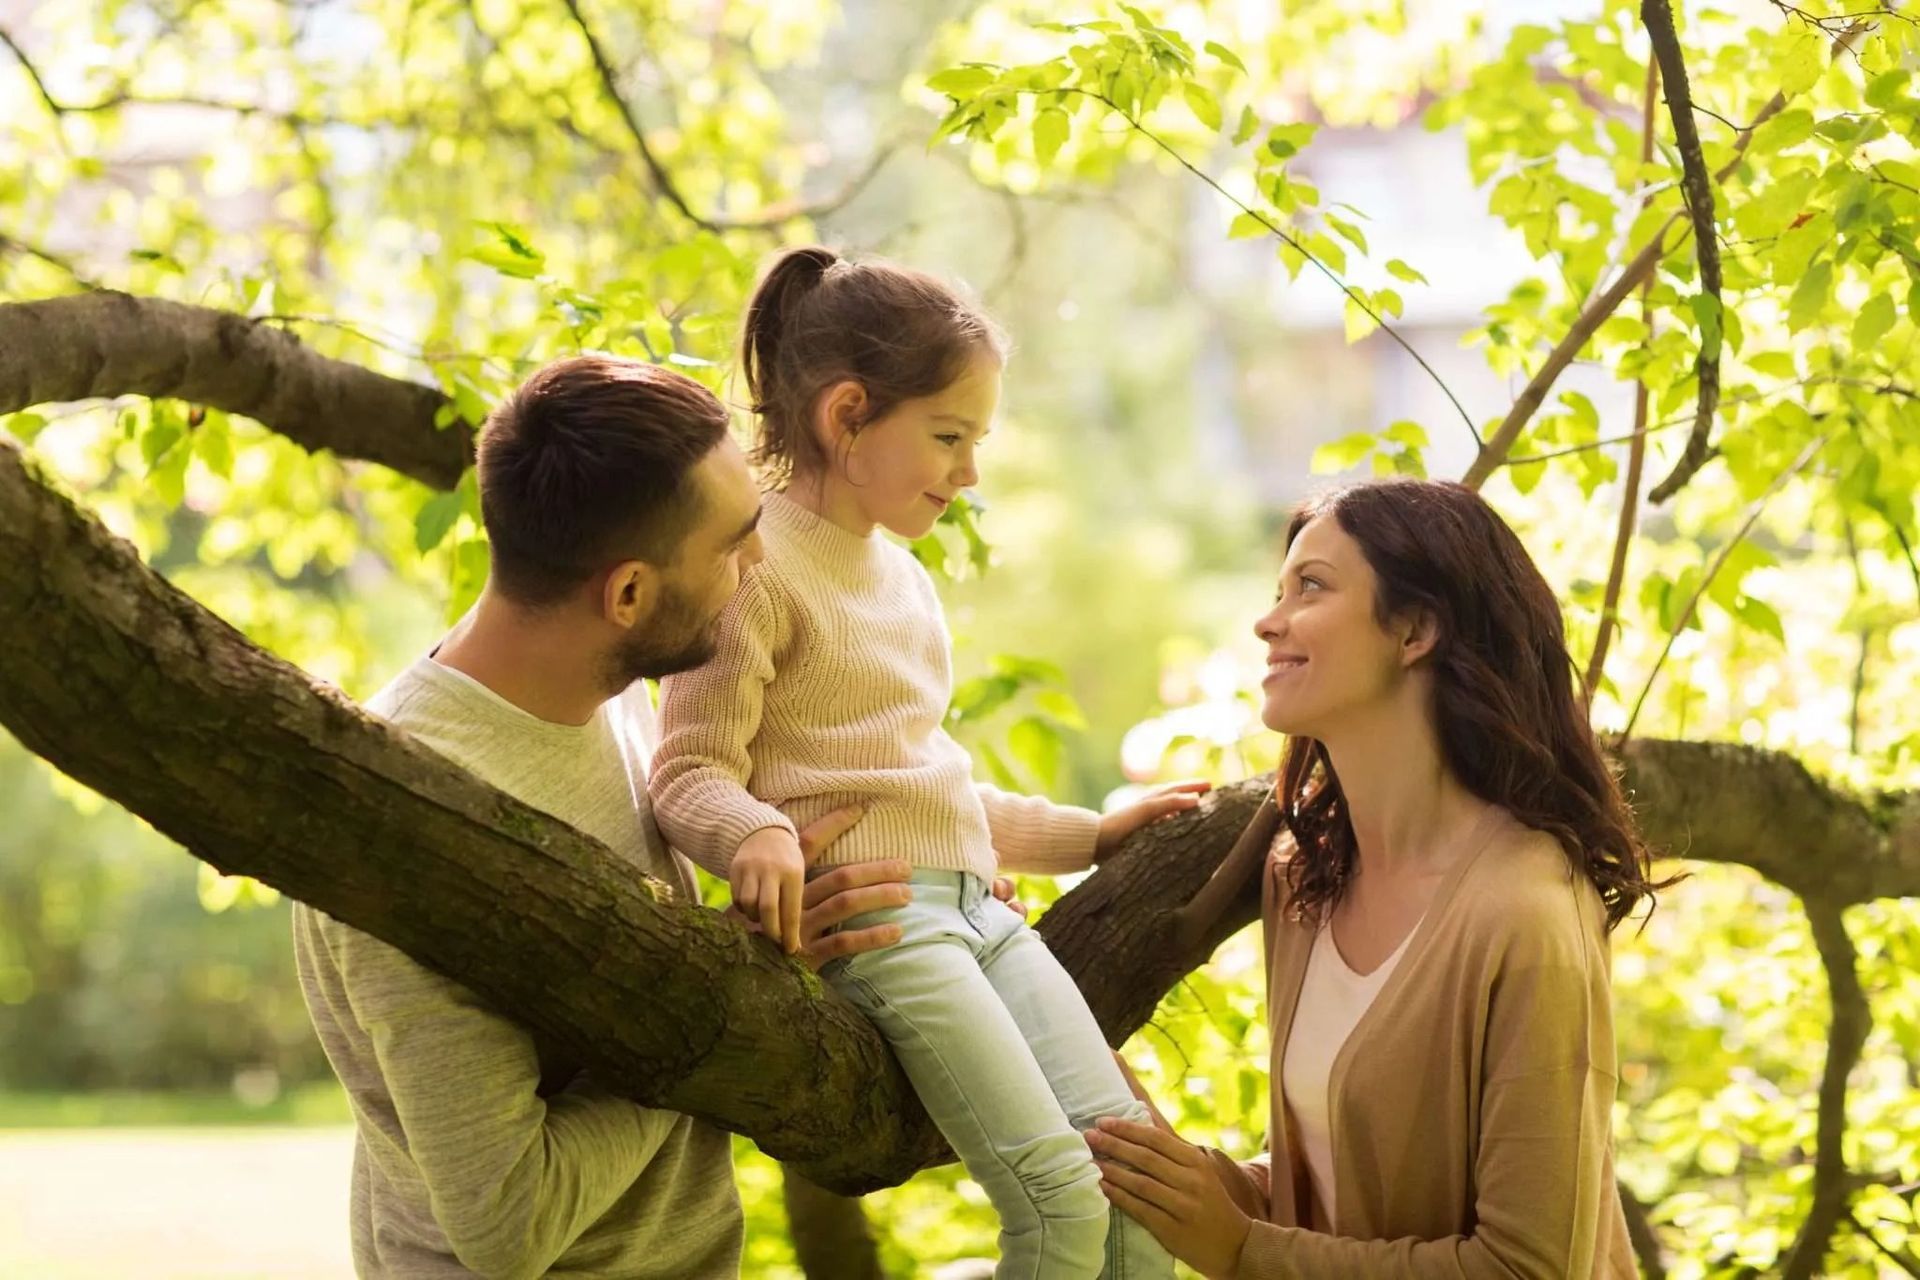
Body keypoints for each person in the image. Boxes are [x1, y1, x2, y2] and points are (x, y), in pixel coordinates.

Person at [294, 353, 988, 1278]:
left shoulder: (619, 695)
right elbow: (508, 1222)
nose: (763, 562)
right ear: (626, 594)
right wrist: (724, 1000)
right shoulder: (408, 822)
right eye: (736, 543)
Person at [648, 245, 1206, 1279]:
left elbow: (927, 784)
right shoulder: (758, 566)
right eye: (949, 436)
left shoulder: (903, 576)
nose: (970, 471)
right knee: (1058, 1199)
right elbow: (685, 772)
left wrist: (1088, 834)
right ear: (847, 416)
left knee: (1137, 1193)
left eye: (978, 440)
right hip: (884, 922)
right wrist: (759, 832)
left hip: (983, 916)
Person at [1085, 477, 1664, 1278]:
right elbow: (1328, 1196)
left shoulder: (1525, 913)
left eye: (1311, 587)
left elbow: (1528, 1267)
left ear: (1415, 629)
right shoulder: (1301, 879)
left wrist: (1241, 1249)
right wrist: (1171, 1168)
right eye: (1277, 590)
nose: (1267, 620)